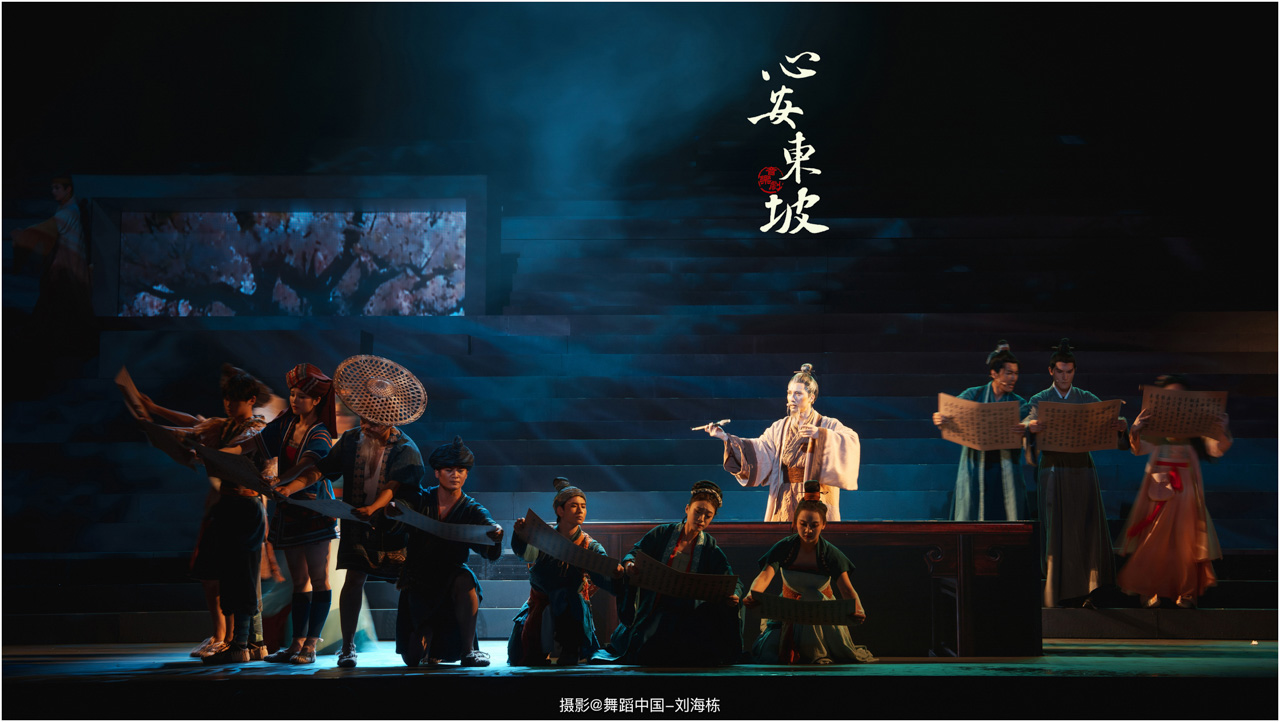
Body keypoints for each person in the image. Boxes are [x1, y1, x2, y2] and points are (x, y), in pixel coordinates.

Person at [274, 354, 428, 668]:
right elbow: (321, 469)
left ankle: (419, 640)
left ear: (389, 421)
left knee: (409, 583)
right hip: (358, 522)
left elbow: (394, 487)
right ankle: (347, 647)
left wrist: (375, 507)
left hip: (393, 526)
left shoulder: (406, 449)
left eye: (373, 422)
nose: (366, 427)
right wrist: (290, 487)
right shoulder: (351, 440)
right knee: (354, 578)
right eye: (363, 420)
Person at [138, 364, 274, 664]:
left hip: (247, 506)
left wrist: (199, 449)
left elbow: (230, 450)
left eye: (235, 399)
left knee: (244, 574)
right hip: (228, 504)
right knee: (229, 573)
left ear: (251, 400)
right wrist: (154, 417)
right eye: (226, 399)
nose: (229, 404)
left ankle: (242, 643)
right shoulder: (226, 426)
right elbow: (195, 425)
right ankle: (248, 643)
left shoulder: (257, 429)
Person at [1023, 339, 1127, 608]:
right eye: (1059, 371)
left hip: (1082, 467)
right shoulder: (1040, 399)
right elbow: (1027, 419)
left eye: (1069, 372)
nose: (1064, 377)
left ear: (1074, 371)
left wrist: (1119, 425)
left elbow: (1107, 421)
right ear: (1051, 371)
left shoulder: (1085, 398)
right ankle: (1056, 589)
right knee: (1056, 526)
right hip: (1053, 468)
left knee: (1085, 525)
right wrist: (1030, 426)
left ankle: (1091, 588)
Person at [594, 480, 743, 666]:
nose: (701, 519)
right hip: (655, 607)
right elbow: (634, 553)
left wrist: (735, 594)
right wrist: (630, 564)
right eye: (698, 511)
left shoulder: (710, 548)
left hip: (688, 614)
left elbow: (732, 580)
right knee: (647, 649)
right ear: (687, 509)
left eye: (708, 516)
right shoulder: (662, 533)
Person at [1117, 375, 1230, 609]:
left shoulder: (1195, 427)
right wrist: (1135, 430)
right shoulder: (1156, 427)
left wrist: (1221, 430)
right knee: (1154, 537)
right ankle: (1149, 588)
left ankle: (1186, 591)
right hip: (1158, 487)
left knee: (1186, 540)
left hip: (1187, 489)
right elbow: (1138, 449)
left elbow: (1216, 449)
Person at [389, 436, 503, 667]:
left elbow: (488, 532)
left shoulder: (471, 509)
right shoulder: (420, 499)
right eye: (449, 470)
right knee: (412, 658)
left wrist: (495, 533)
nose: (455, 475)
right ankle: (426, 634)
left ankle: (468, 651)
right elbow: (399, 518)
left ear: (466, 474)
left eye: (460, 470)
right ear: (437, 473)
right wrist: (394, 512)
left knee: (465, 577)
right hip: (419, 579)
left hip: (452, 579)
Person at [706, 364, 860, 521]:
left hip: (816, 496)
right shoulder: (780, 427)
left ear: (811, 397)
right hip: (784, 495)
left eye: (798, 393)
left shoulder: (827, 424)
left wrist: (821, 435)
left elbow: (851, 440)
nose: (792, 398)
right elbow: (760, 449)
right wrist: (726, 438)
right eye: (789, 393)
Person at [745, 481, 875, 664]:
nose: (808, 530)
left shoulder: (830, 553)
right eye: (803, 524)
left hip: (820, 613)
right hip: (788, 609)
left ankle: (817, 652)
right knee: (769, 652)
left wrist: (858, 609)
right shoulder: (785, 547)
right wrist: (752, 594)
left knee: (812, 596)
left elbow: (846, 589)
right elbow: (765, 575)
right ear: (795, 522)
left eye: (814, 525)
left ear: (824, 525)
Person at [261, 363, 338, 664]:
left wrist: (282, 482)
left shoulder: (321, 433)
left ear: (317, 400)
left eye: (302, 396)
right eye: (293, 394)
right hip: (290, 507)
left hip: (315, 508)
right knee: (298, 581)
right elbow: (257, 443)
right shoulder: (286, 424)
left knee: (318, 578)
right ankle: (295, 643)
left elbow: (309, 465)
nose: (295, 400)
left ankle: (311, 644)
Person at [508, 477, 620, 666]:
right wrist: (521, 535)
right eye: (574, 506)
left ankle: (570, 650)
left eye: (583, 506)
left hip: (572, 606)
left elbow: (604, 572)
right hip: (540, 601)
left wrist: (614, 571)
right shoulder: (543, 537)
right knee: (518, 655)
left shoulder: (590, 545)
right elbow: (527, 556)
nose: (580, 511)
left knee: (568, 600)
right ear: (560, 510)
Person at [934, 340, 1030, 521]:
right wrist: (941, 418)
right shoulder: (974, 394)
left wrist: (1026, 429)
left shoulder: (1019, 403)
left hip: (1005, 467)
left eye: (1016, 373)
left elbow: (1029, 426)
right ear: (994, 373)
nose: (1013, 378)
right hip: (976, 464)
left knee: (1005, 512)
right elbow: (951, 411)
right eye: (1008, 373)